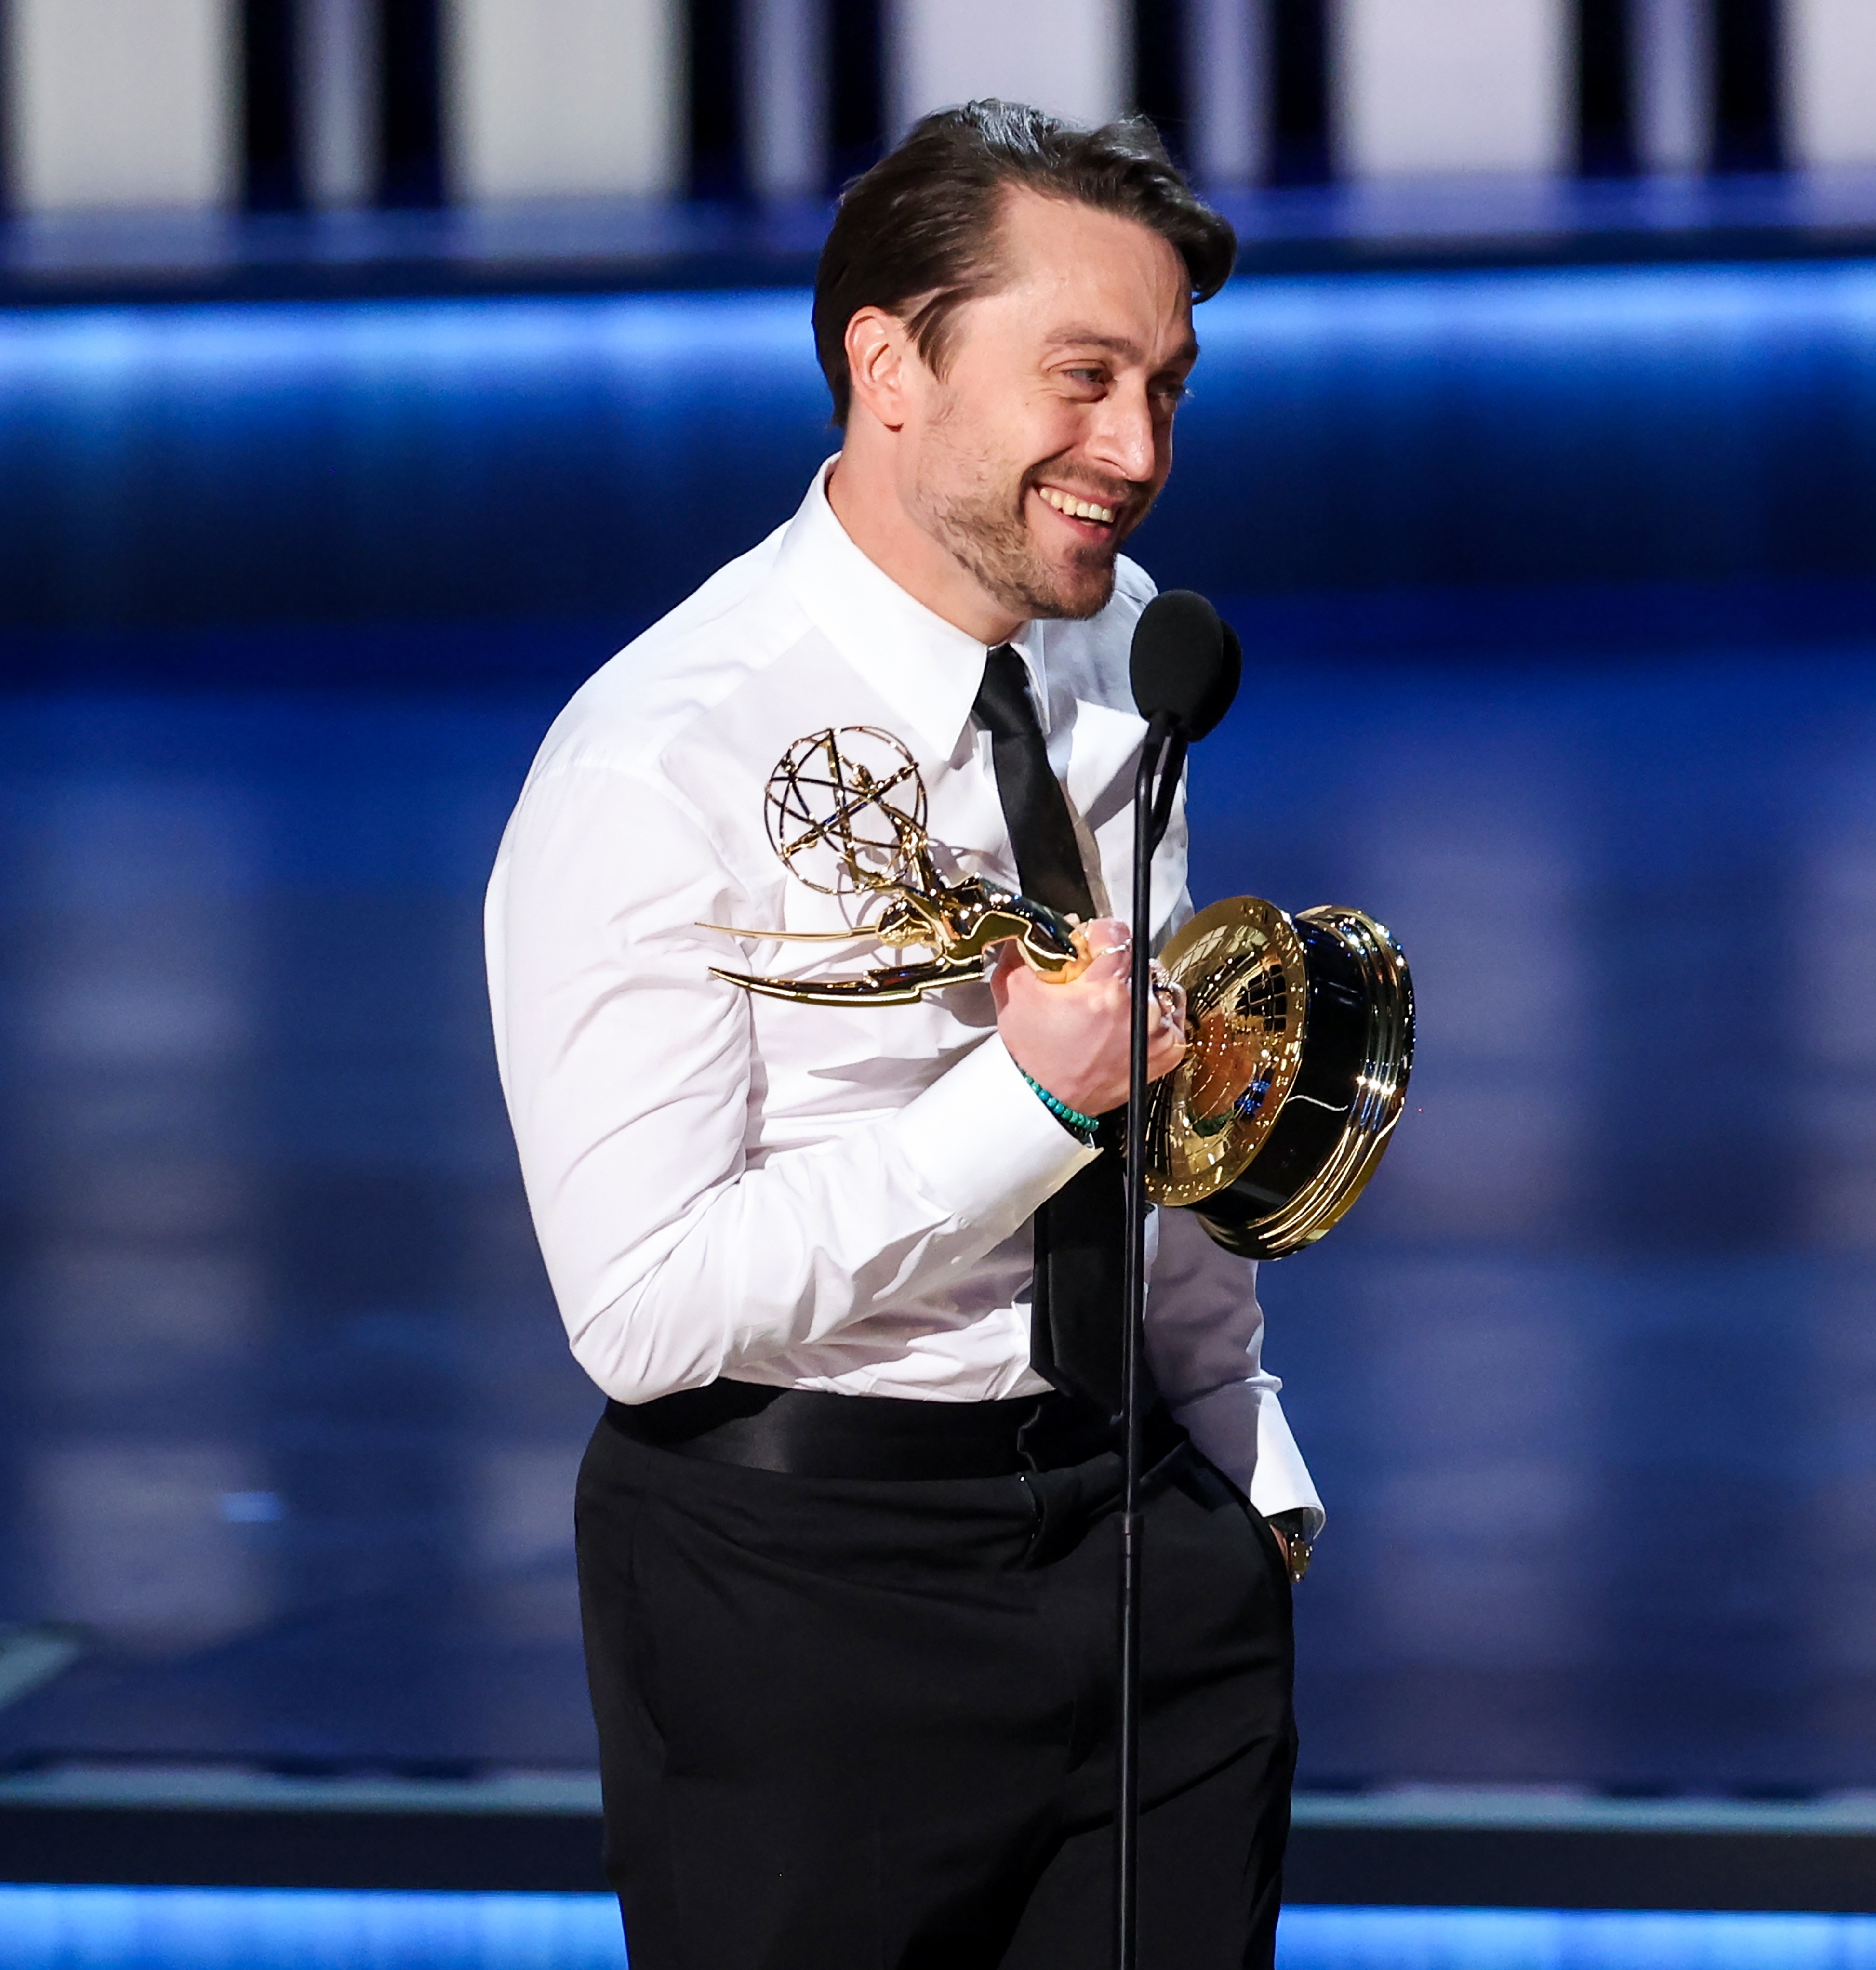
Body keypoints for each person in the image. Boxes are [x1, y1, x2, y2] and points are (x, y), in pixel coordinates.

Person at [484, 98, 1321, 1970]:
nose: (1137, 451)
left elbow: (1148, 1105)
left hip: (1146, 1575)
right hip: (801, 1607)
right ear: (889, 365)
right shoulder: (654, 757)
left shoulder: (1111, 673)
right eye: (1084, 378)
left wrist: (1240, 1469)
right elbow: (637, 1302)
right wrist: (1020, 1098)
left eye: (1168, 389)